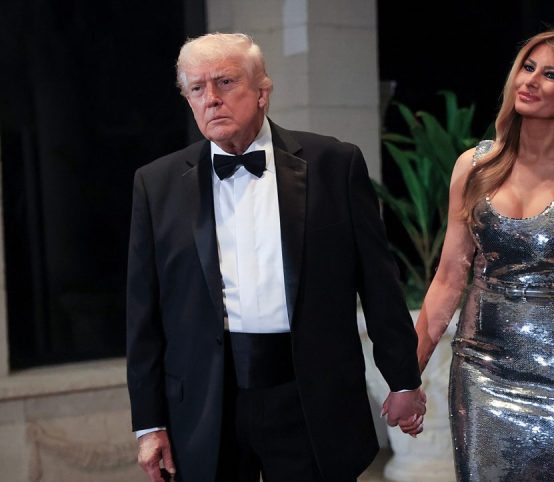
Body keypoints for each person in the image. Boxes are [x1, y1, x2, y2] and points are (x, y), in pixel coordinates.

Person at [126, 32, 425, 482]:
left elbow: (379, 284)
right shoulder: (157, 183)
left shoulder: (334, 164)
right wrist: (149, 423)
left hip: (310, 396)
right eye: (197, 88)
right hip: (209, 404)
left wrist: (402, 380)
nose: (211, 98)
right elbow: (143, 316)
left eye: (225, 82)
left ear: (262, 92)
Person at [414, 29, 554, 480]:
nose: (530, 81)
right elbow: (448, 279)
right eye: (528, 68)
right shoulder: (475, 166)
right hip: (480, 366)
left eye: (550, 75)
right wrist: (407, 375)